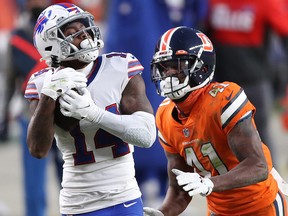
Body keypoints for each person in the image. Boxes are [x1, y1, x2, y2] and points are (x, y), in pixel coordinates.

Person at [24, 2, 156, 216]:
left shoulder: (120, 66)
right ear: (51, 44)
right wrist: (49, 96)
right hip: (79, 204)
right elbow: (38, 150)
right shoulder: (41, 84)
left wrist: (93, 113)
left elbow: (147, 136)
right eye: (72, 32)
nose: (84, 35)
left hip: (126, 197)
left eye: (84, 27)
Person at [143, 26, 287, 216]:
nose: (168, 74)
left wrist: (209, 183)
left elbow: (257, 165)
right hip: (219, 210)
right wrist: (163, 213)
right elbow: (179, 189)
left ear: (202, 68)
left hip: (260, 204)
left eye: (177, 66)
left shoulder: (223, 99)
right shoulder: (164, 115)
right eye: (164, 67)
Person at [104, 0, 208, 206]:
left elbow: (198, 11)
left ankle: (162, 185)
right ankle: (151, 184)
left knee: (164, 112)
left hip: (164, 50)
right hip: (137, 44)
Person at [204, 0, 288, 166]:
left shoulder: (266, 3)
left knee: (259, 140)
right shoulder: (213, 3)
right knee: (219, 141)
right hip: (220, 85)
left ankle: (274, 188)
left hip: (255, 83)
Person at [1, 1, 64, 216]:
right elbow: (10, 80)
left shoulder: (19, 37)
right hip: (38, 115)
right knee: (38, 179)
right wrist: (5, 116)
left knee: (70, 175)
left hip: (54, 114)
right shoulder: (19, 37)